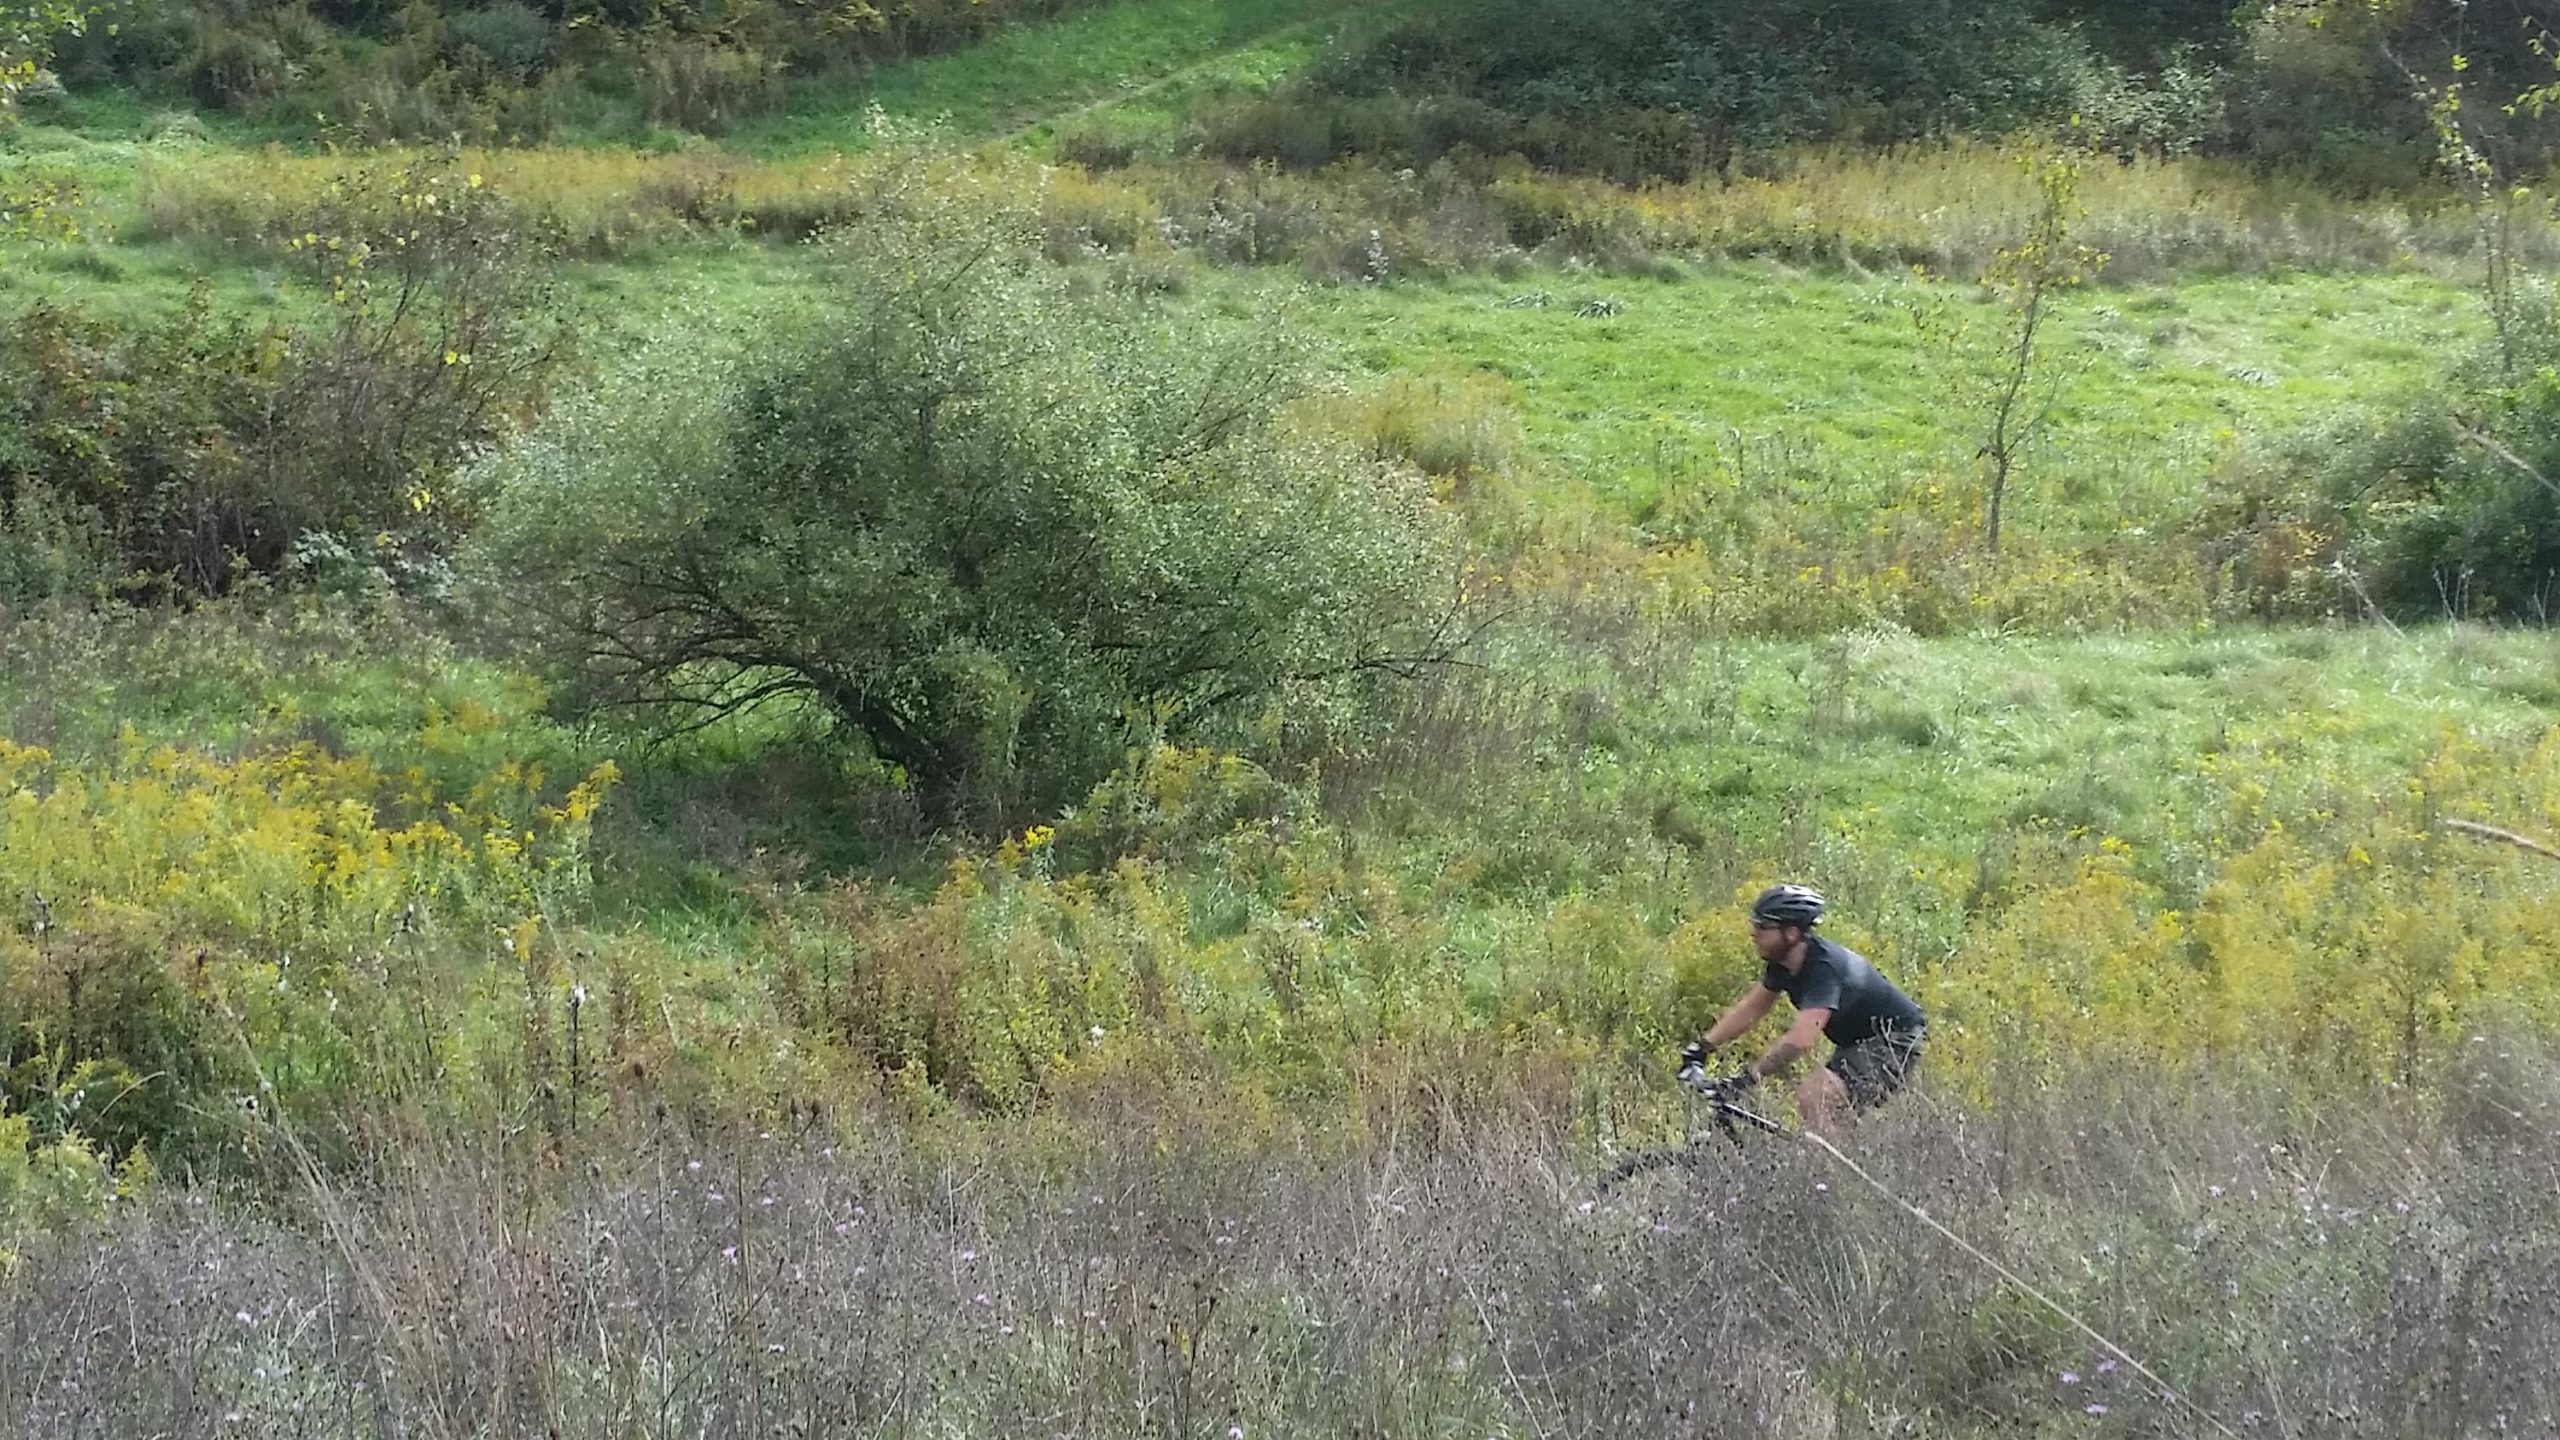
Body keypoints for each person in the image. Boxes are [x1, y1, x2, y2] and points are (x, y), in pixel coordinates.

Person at [1679, 883, 1926, 1135]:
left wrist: (1749, 1078)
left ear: (1792, 933)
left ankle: (1833, 1175)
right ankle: (1846, 1159)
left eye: (1763, 926)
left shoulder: (1824, 969)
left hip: (1894, 1039)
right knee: (1831, 1121)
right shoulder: (1783, 963)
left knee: (1814, 1098)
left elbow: (1800, 1040)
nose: (1754, 933)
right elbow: (1751, 1009)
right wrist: (1702, 1048)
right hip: (1855, 1043)